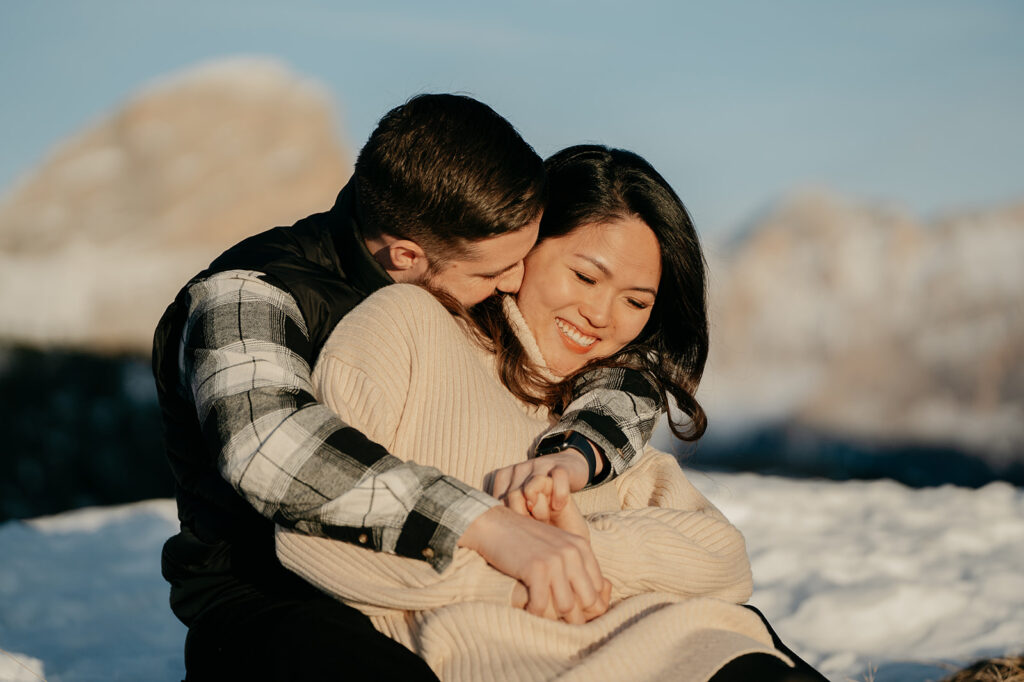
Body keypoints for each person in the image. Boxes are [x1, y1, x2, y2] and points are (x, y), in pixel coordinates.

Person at [152, 98, 666, 681]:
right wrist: (490, 526)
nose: (516, 282)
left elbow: (619, 377)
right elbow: (268, 447)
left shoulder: (457, 269)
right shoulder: (250, 293)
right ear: (405, 255)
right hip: (273, 600)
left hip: (426, 584)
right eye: (497, 271)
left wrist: (576, 451)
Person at [277, 145, 827, 681]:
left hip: (691, 649)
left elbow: (723, 560)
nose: (599, 316)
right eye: (585, 277)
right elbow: (316, 534)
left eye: (636, 301)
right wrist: (528, 571)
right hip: (508, 657)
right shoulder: (406, 327)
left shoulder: (594, 413)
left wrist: (586, 549)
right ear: (526, 245)